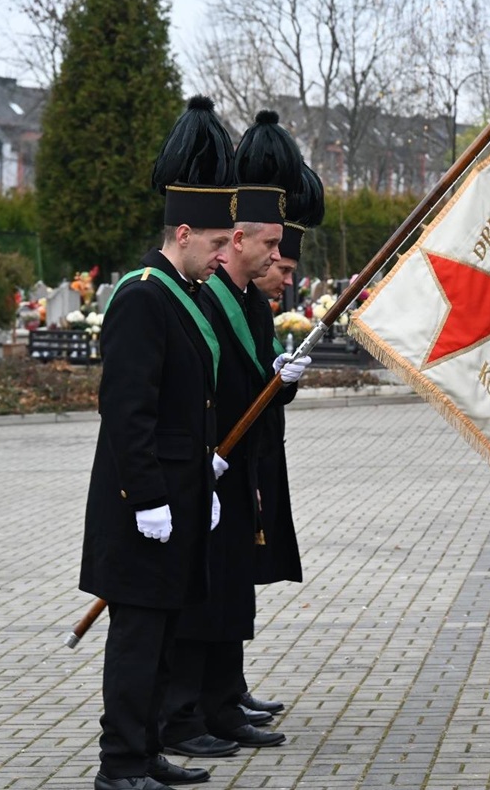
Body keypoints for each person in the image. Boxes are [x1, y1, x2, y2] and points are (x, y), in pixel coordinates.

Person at [79, 95, 236, 790]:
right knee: (138, 641)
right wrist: (146, 496)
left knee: (165, 635)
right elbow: (127, 410)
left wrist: (200, 478)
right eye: (216, 244)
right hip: (142, 507)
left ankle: (146, 753)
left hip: (178, 497)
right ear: (184, 233)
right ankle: (119, 766)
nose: (223, 256)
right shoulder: (144, 295)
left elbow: (189, 407)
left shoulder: (184, 294)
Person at [159, 110, 305, 758]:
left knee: (231, 590)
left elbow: (249, 379)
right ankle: (190, 710)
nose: (278, 257)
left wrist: (282, 380)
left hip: (240, 467)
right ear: (236, 238)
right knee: (209, 595)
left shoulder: (245, 300)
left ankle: (222, 698)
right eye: (269, 245)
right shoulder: (205, 295)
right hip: (211, 466)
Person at [239, 163, 326, 717]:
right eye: (279, 261)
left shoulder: (253, 304)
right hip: (231, 462)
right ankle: (212, 696)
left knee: (239, 581)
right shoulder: (231, 299)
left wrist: (282, 379)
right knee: (226, 582)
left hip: (258, 457)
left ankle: (228, 687)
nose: (285, 276)